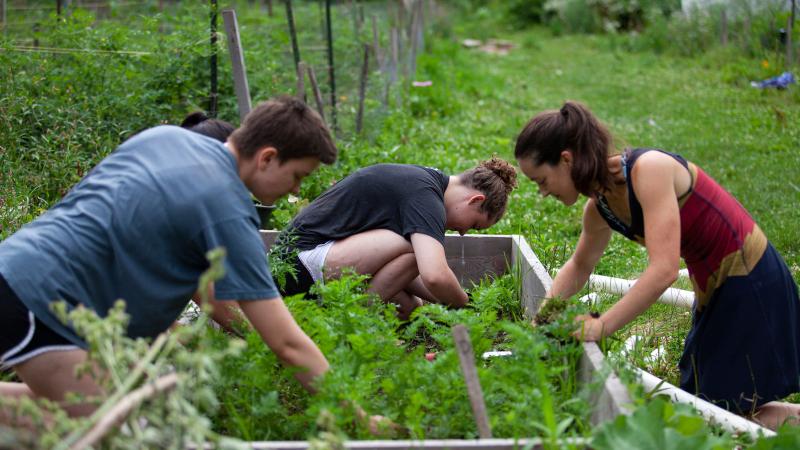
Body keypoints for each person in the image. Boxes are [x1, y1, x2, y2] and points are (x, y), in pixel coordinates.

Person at [0, 96, 337, 420]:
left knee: (123, 411)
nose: (296, 190)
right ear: (267, 157)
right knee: (116, 430)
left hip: (16, 266)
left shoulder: (165, 138)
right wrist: (354, 414)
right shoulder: (227, 209)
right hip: (42, 301)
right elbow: (287, 343)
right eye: (297, 176)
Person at [514, 100, 800, 428]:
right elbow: (579, 265)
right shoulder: (599, 209)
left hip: (750, 281)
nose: (541, 192)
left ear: (565, 160)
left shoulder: (647, 170)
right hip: (715, 291)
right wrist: (542, 322)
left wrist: (601, 325)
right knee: (707, 412)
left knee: (719, 418)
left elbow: (663, 270)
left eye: (541, 180)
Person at [276, 158, 517, 318]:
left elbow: (409, 272)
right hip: (298, 264)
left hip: (314, 261)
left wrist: (447, 303)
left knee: (409, 307)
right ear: (475, 200)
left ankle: (348, 317)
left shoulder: (426, 184)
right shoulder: (426, 197)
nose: (464, 232)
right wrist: (469, 308)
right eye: (474, 224)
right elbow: (434, 276)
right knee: (416, 251)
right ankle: (346, 321)